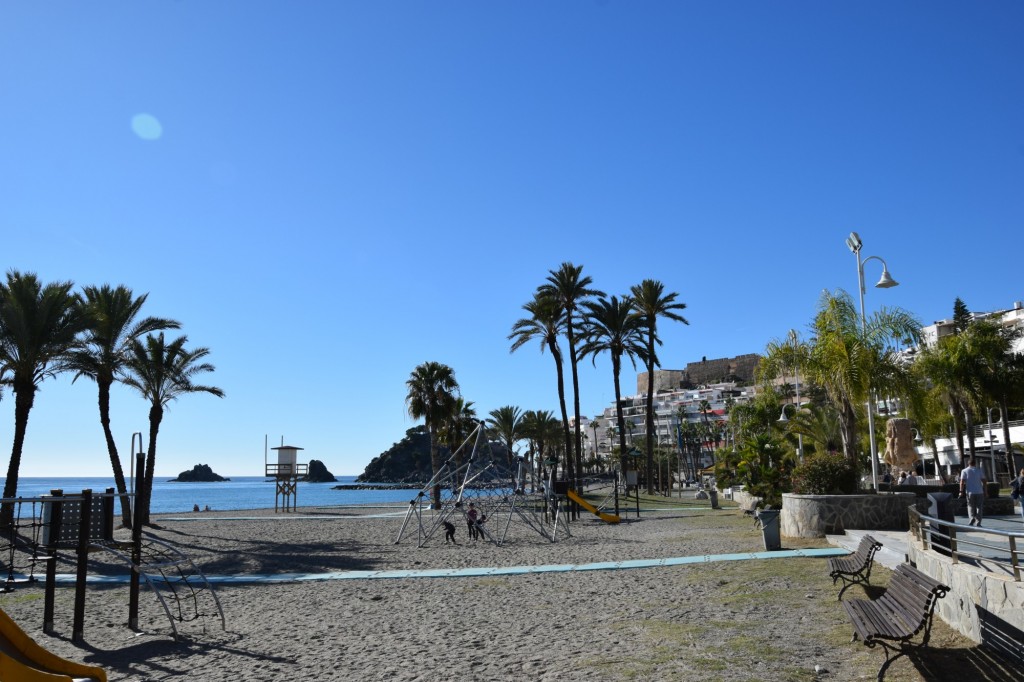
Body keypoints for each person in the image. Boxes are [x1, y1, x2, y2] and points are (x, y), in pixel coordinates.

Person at [959, 456, 987, 527]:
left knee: (970, 506)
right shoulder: (979, 470)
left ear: (968, 464)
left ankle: (971, 518)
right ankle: (978, 522)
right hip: (979, 492)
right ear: (975, 464)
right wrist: (986, 491)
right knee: (979, 507)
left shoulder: (964, 471)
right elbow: (984, 481)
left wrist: (961, 491)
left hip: (970, 492)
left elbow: (962, 482)